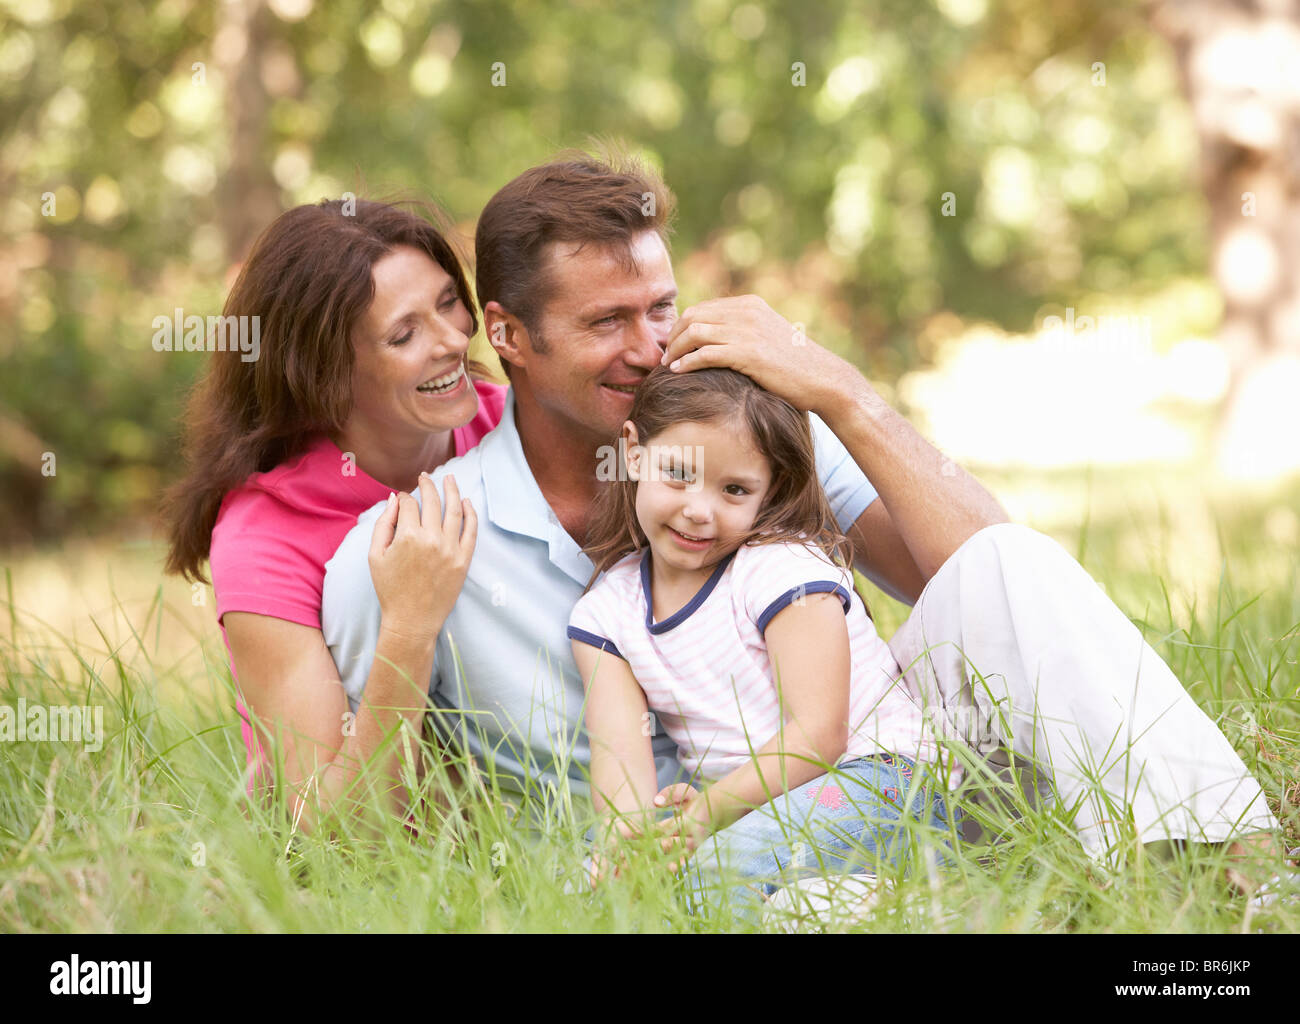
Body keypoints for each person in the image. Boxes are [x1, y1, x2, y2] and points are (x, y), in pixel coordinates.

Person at [322, 151, 1282, 887]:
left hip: (882, 789)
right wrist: (408, 631)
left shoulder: (750, 432)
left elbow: (973, 570)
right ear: (509, 337)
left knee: (1010, 562)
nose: (652, 349)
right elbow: (369, 834)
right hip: (671, 881)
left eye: (661, 307)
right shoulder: (415, 546)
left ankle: (1226, 875)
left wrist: (844, 397)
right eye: (606, 322)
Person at [163, 198, 506, 827]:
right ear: (323, 371)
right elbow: (330, 828)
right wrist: (408, 626)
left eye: (449, 302)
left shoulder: (509, 426)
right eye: (405, 334)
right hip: (411, 845)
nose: (456, 340)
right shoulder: (263, 535)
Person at [569, 365, 955, 911]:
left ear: (768, 490)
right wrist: (627, 847)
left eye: (734, 490)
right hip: (758, 805)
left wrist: (705, 813)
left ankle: (900, 903)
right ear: (634, 452)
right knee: (591, 883)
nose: (699, 510)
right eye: (677, 474)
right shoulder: (605, 615)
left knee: (711, 881)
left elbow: (821, 736)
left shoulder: (779, 570)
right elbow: (622, 776)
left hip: (885, 779)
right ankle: (838, 900)